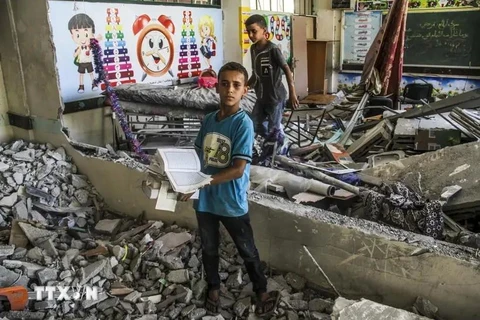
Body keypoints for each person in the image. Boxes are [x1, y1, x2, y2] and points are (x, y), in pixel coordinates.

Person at [178, 62, 280, 317]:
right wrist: (182, 181)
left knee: (247, 249)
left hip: (231, 202)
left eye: (237, 85)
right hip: (205, 202)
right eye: (225, 84)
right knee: (209, 247)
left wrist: (200, 183)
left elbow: (237, 169)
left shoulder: (242, 124)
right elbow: (198, 155)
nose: (230, 90)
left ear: (245, 90)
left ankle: (261, 291)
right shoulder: (210, 120)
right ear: (217, 86)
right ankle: (214, 288)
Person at [245, 14, 299, 138]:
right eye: (248, 32)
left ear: (264, 30)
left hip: (275, 98)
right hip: (261, 97)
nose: (251, 35)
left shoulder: (272, 49)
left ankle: (275, 148)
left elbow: (286, 69)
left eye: (254, 31)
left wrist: (292, 93)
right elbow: (255, 74)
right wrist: (245, 87)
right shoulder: (253, 49)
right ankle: (275, 139)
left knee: (272, 129)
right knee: (253, 124)